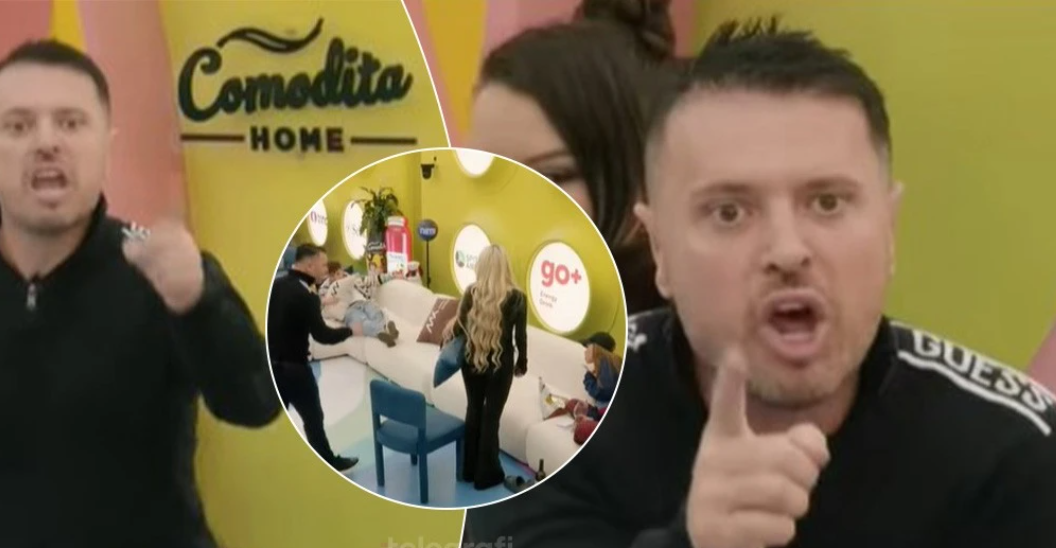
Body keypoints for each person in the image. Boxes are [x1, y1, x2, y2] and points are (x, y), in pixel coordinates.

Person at [463, 18, 1056, 548]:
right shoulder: (540, 425)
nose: (787, 251)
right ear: (660, 246)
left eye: (827, 202)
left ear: (890, 229)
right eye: (729, 212)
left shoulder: (1014, 451)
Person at [0, 40, 281, 548]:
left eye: (71, 123)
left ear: (106, 146)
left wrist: (198, 302)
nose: (46, 143)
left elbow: (256, 403)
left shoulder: (164, 270)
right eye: (18, 126)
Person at [468, 0, 675, 315]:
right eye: (486, 175)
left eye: (552, 176)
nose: (507, 208)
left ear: (642, 170)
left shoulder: (687, 332)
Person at [267, 244, 362, 472]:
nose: (326, 269)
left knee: (275, 420)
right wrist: (351, 331)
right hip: (295, 371)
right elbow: (323, 335)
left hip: (271, 365)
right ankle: (328, 463)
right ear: (309, 266)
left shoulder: (277, 285)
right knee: (313, 417)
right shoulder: (306, 295)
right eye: (323, 265)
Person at [445, 245, 528, 491]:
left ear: (481, 266)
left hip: (472, 360)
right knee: (491, 418)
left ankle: (468, 470)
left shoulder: (472, 292)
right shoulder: (518, 298)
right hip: (501, 365)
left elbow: (459, 328)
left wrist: (450, 329)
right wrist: (522, 363)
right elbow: (520, 337)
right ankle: (487, 475)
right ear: (505, 267)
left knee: (473, 411)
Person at [319, 260, 400, 347]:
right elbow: (321, 304)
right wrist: (325, 301)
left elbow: (372, 280)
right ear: (330, 277)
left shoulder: (352, 280)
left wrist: (391, 275)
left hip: (364, 302)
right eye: (335, 274)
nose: (340, 276)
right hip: (350, 310)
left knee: (376, 312)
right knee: (359, 322)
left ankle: (385, 329)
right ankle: (382, 331)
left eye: (340, 273)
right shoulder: (326, 289)